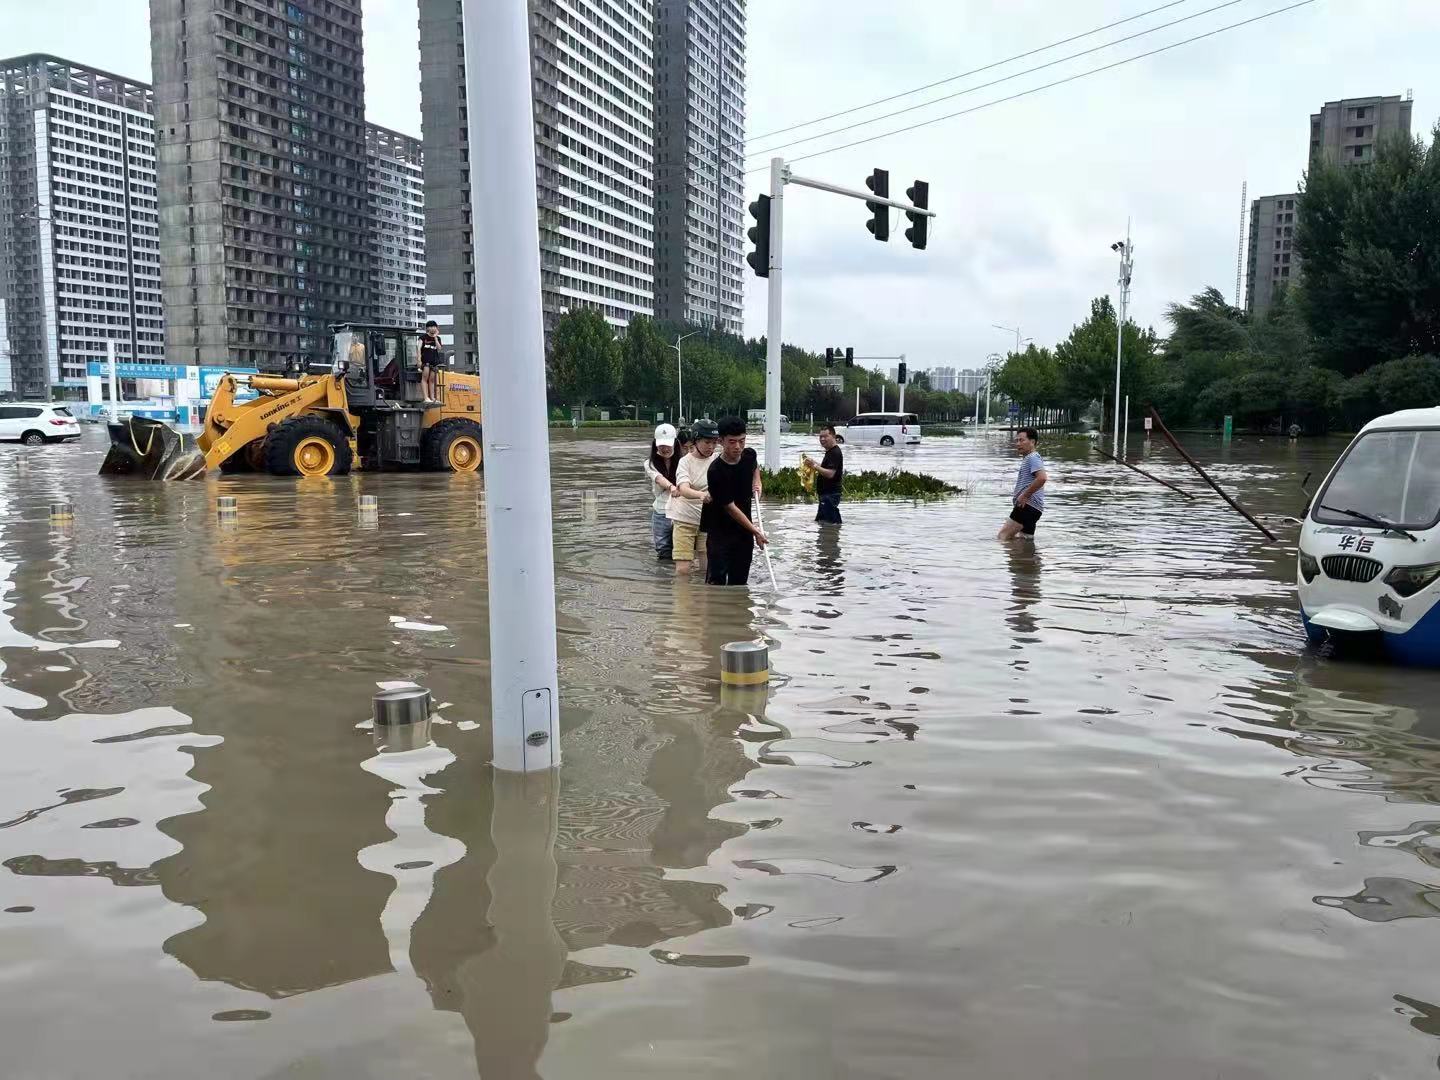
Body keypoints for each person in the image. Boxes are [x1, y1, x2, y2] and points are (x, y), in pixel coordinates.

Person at [705, 416, 767, 586]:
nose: (738, 447)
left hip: (744, 534)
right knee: (715, 583)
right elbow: (730, 508)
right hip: (720, 535)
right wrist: (756, 531)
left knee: (739, 584)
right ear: (720, 441)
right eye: (732, 442)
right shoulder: (716, 471)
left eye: (742, 441)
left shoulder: (749, 455)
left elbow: (754, 467)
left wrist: (757, 481)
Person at [668, 419, 718, 576]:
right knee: (683, 569)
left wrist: (755, 481)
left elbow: (749, 462)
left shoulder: (718, 459)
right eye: (707, 442)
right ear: (696, 441)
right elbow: (683, 489)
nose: (711, 447)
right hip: (684, 518)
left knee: (706, 568)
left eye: (714, 442)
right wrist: (702, 495)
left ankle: (705, 597)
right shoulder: (685, 462)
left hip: (707, 518)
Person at [998, 427, 1048, 541]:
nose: (1018, 444)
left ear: (1032, 442)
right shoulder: (1029, 458)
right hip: (1035, 509)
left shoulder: (1032, 457)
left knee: (1002, 536)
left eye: (1021, 440)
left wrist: (1025, 495)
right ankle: (1026, 558)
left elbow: (1042, 478)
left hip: (1027, 507)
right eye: (1017, 440)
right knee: (1024, 542)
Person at [644, 423, 680, 560]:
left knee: (682, 550)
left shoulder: (684, 461)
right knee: (663, 552)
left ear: (675, 443)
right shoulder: (649, 463)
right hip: (661, 511)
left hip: (681, 511)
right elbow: (658, 479)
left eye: (668, 445)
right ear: (655, 444)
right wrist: (672, 487)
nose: (665, 449)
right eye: (661, 445)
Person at [803, 425, 844, 525]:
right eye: (820, 437)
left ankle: (830, 539)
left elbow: (830, 474)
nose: (822, 439)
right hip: (826, 495)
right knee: (823, 523)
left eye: (825, 436)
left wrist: (814, 466)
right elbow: (826, 468)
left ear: (833, 436)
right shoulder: (830, 452)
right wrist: (814, 463)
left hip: (830, 495)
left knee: (829, 524)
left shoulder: (835, 452)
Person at [419, 320, 444, 404]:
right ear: (427, 328)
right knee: (424, 379)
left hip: (434, 362)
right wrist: (419, 360)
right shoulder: (423, 337)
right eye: (431, 327)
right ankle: (426, 397)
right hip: (426, 361)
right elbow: (418, 349)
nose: (433, 328)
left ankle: (432, 397)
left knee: (432, 380)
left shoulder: (438, 338)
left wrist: (436, 338)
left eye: (434, 327)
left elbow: (439, 348)